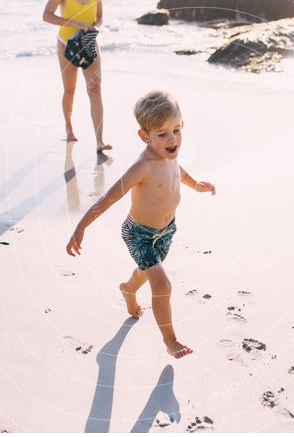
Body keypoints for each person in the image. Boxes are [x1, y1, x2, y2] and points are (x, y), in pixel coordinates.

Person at [66, 91, 216, 359]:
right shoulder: (142, 166)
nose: (172, 139)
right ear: (144, 136)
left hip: (167, 230)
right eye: (162, 134)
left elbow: (178, 173)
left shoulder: (169, 154)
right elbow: (109, 198)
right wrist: (81, 227)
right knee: (162, 285)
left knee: (147, 272)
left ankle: (127, 288)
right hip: (139, 234)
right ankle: (170, 340)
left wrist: (197, 185)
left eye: (177, 130)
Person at [43, 0, 112, 152]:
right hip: (66, 44)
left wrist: (92, 28)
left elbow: (99, 18)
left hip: (88, 43)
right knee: (70, 90)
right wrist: (74, 23)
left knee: (95, 88)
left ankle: (99, 141)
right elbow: (47, 15)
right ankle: (69, 127)